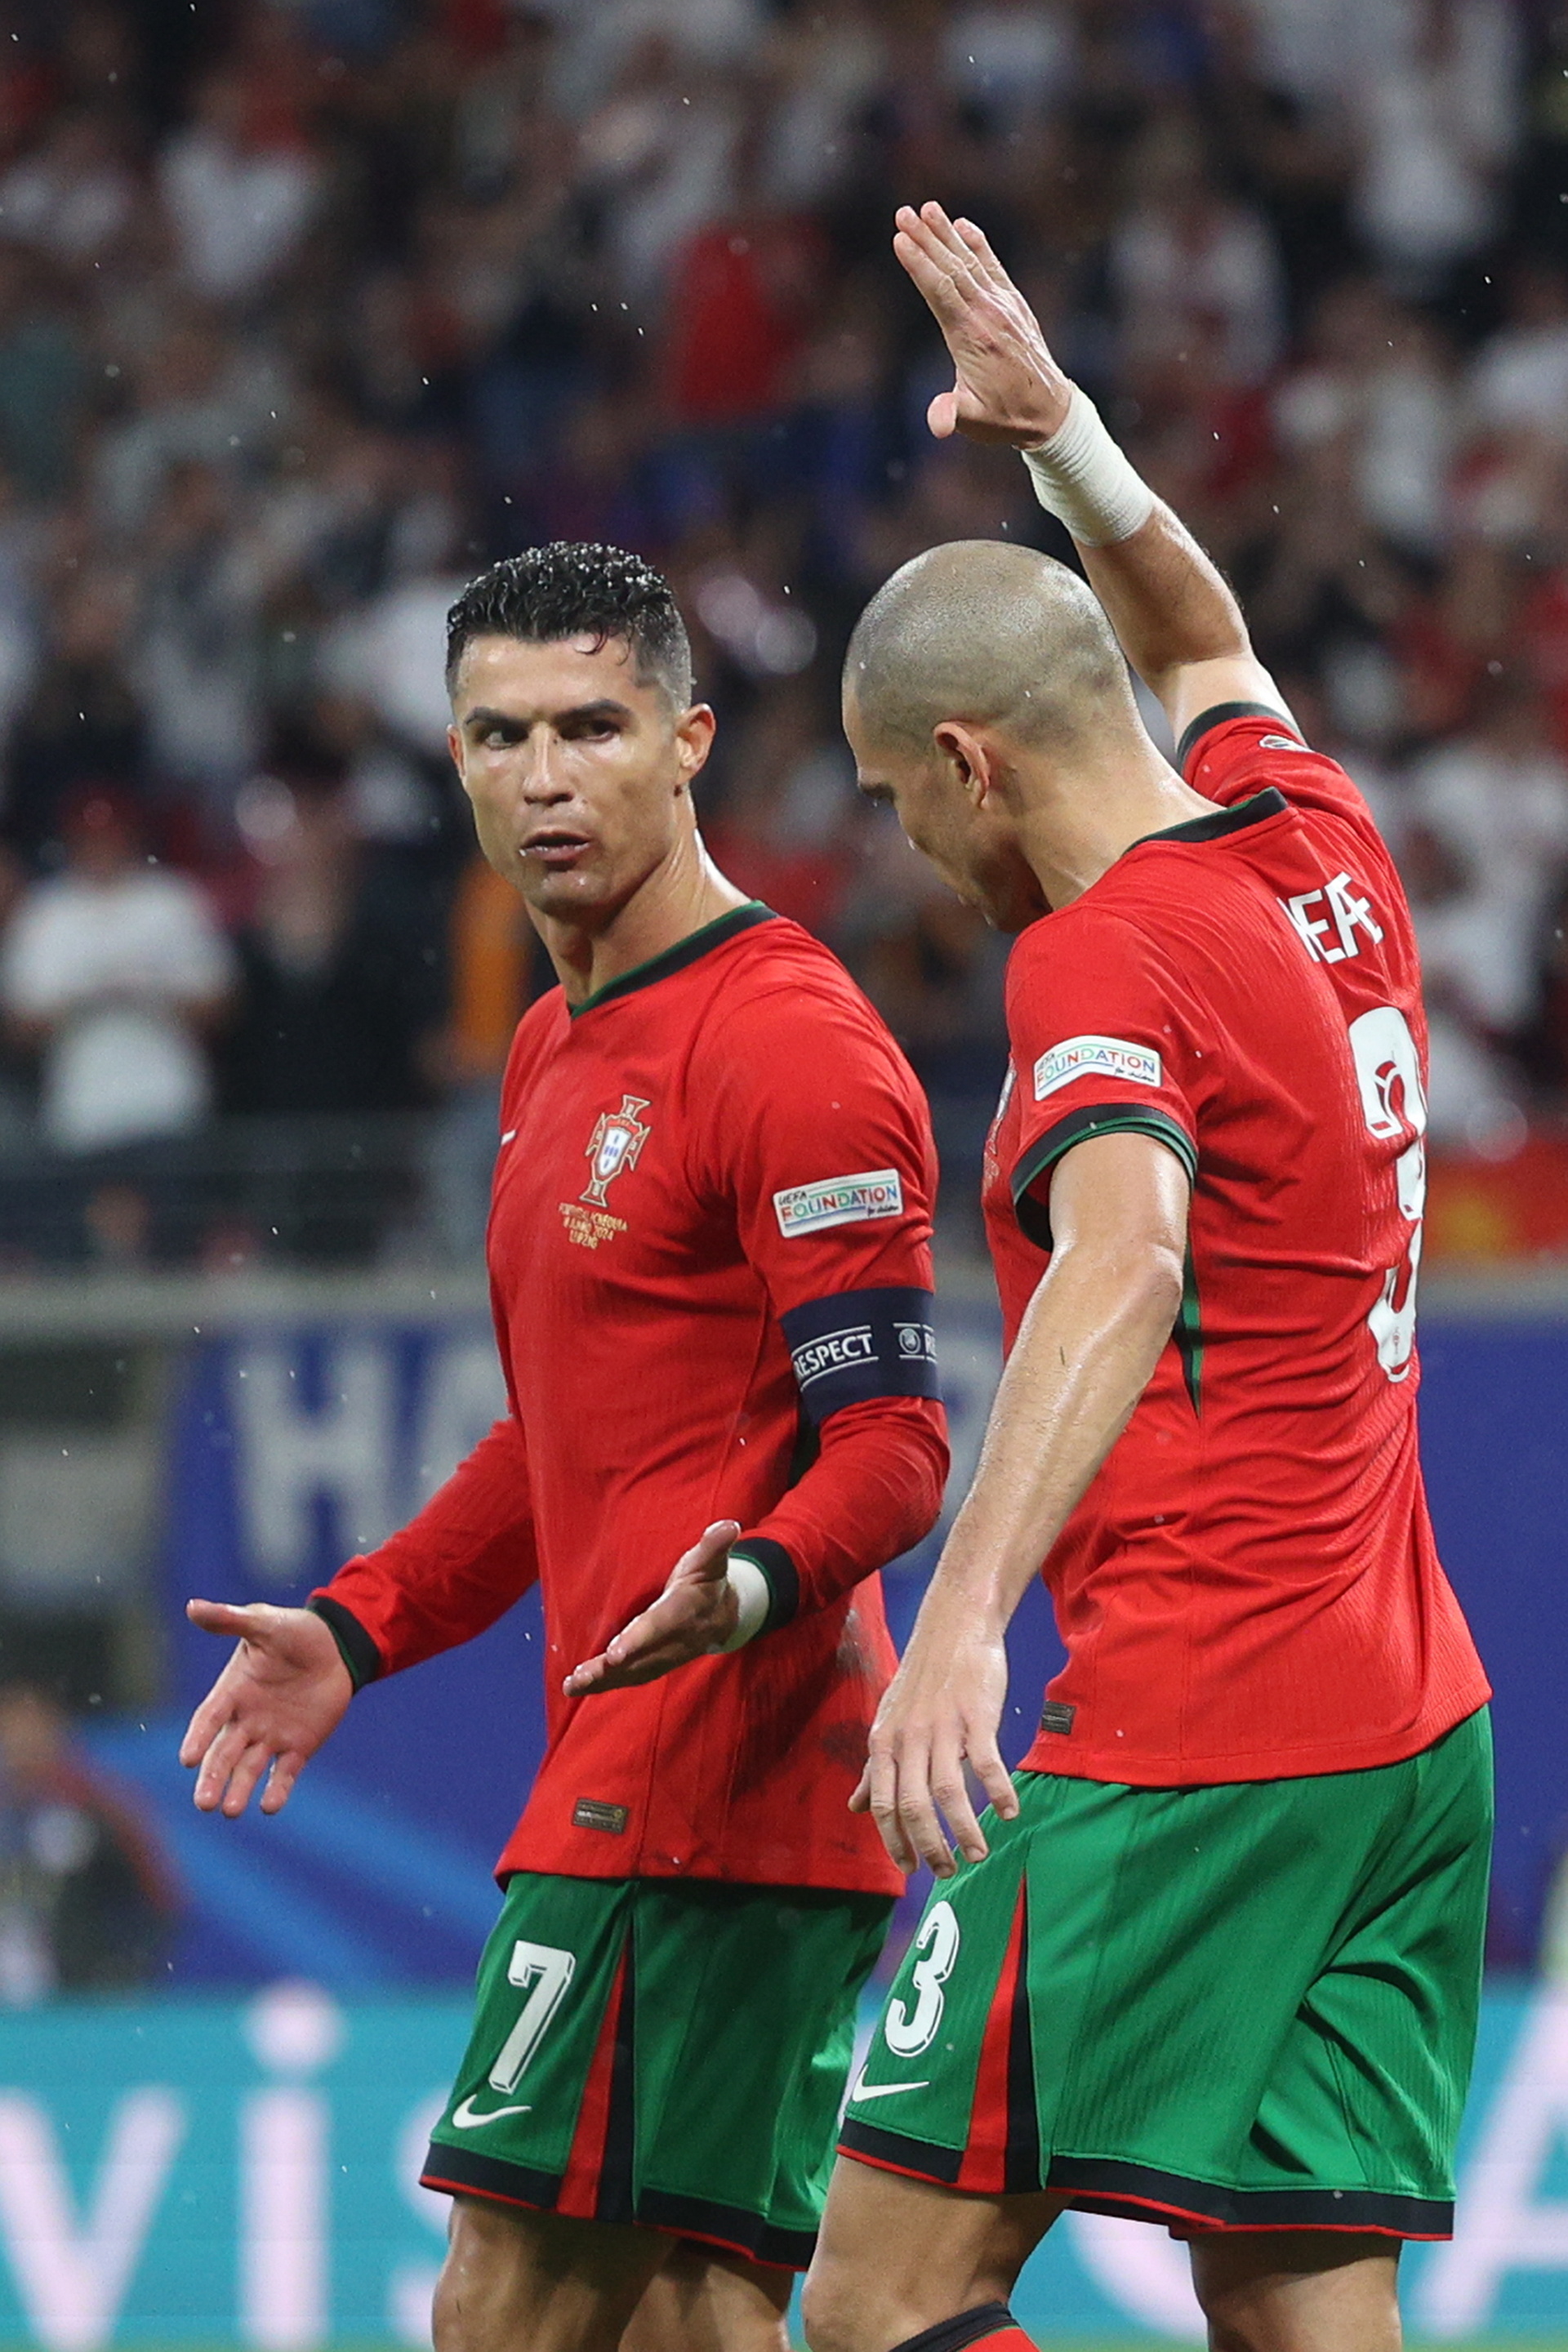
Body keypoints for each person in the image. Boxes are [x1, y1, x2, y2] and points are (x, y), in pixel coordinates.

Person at [801, 205, 1492, 2352]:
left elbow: (1123, 1259)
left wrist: (961, 1624)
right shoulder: (1317, 838)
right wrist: (1065, 437)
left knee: (879, 2299)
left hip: (1197, 1731)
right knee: (1297, 2305)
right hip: (1407, 1728)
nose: (909, 854)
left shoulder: (1097, 958)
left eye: (895, 802)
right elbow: (1201, 635)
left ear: (969, 762)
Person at [178, 542, 949, 2352]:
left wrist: (743, 1587)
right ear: (453, 759)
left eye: (592, 727)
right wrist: (356, 1629)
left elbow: (896, 1450)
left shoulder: (791, 1048)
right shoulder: (549, 1046)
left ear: (688, 742)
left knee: (505, 2308)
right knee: (684, 2313)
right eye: (502, 734)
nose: (546, 776)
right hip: (675, 1792)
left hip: (712, 1782)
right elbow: (561, 1439)